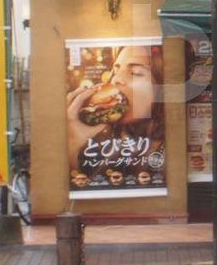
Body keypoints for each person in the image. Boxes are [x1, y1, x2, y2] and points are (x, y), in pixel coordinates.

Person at [66, 45, 165, 184]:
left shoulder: (171, 151)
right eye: (116, 70)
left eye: (135, 72)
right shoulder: (112, 147)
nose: (115, 79)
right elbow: (84, 193)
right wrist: (72, 145)